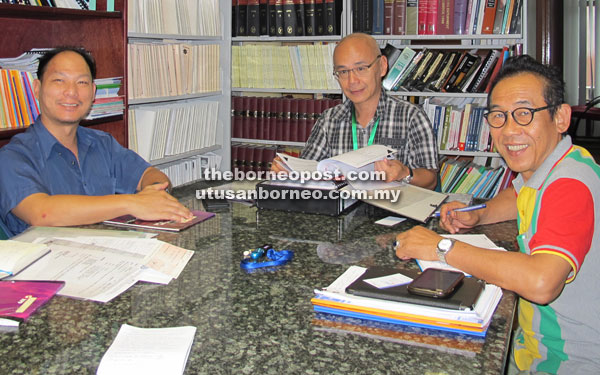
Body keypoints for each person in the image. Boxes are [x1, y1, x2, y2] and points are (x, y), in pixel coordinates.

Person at [394, 55, 600, 374]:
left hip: (571, 360)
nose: (508, 131)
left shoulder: (570, 184)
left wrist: (441, 248)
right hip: (533, 345)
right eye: (498, 117)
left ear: (560, 117)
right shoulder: (557, 164)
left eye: (524, 114)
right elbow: (519, 192)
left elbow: (542, 281)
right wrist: (480, 214)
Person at [0, 47, 192, 237]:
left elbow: (151, 174)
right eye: (59, 81)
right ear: (37, 89)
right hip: (44, 264)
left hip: (105, 256)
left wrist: (152, 194)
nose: (71, 92)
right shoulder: (13, 157)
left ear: (92, 92)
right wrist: (132, 203)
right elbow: (41, 213)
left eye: (81, 82)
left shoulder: (102, 144)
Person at [272, 33, 438, 189]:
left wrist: (405, 173)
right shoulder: (329, 120)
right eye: (343, 72)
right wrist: (289, 173)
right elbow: (309, 170)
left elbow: (430, 180)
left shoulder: (412, 117)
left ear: (382, 66)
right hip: (342, 212)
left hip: (393, 212)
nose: (352, 81)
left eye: (361, 68)